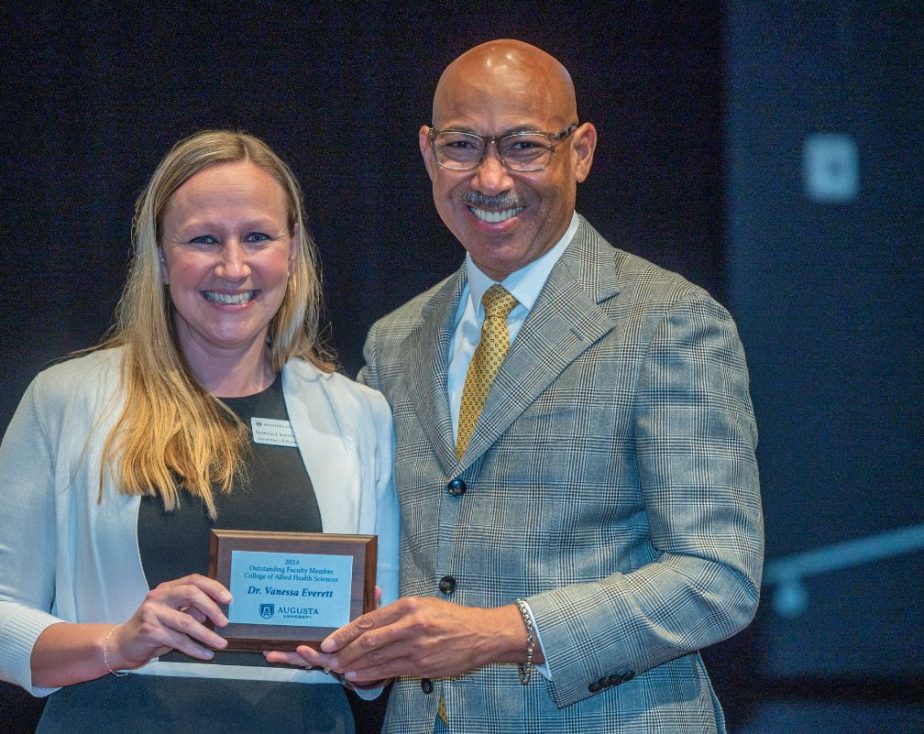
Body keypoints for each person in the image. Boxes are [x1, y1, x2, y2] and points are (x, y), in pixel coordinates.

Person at [313, 39, 764, 732]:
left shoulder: (671, 322)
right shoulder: (395, 341)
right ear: (429, 153)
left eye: (523, 146)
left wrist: (507, 632)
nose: (490, 179)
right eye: (463, 146)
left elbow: (716, 578)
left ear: (580, 151)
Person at [0, 130, 399, 734]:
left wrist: (362, 658)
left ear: (292, 253)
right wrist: (117, 642)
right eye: (204, 240)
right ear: (161, 259)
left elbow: (377, 670)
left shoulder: (360, 415)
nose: (234, 266)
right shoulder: (67, 400)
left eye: (258, 237)